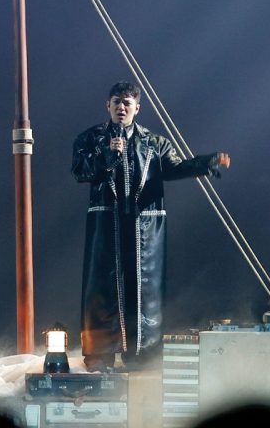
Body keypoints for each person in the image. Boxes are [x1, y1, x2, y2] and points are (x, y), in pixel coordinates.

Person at [72, 81, 230, 371]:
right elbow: (80, 171)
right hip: (107, 223)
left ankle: (140, 354)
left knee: (143, 289)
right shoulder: (91, 138)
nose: (121, 108)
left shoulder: (154, 142)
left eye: (127, 103)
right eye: (116, 102)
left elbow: (174, 168)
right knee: (103, 288)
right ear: (108, 105)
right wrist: (107, 155)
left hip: (143, 225)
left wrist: (204, 164)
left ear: (137, 108)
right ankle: (99, 355)